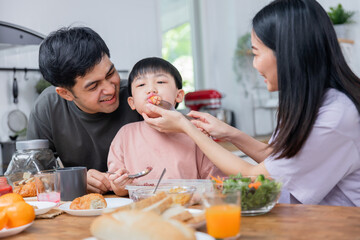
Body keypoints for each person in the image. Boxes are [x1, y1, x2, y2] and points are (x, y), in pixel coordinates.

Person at [142, 0, 360, 206]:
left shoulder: (336, 116)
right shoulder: (310, 102)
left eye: (256, 53)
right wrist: (228, 133)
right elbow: (276, 158)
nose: (255, 65)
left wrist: (186, 127)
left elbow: (259, 177)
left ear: (286, 54)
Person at [27, 27, 142, 194]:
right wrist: (73, 180)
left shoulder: (137, 95)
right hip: (82, 209)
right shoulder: (48, 107)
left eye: (110, 74)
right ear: (65, 93)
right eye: (93, 86)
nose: (110, 89)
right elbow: (31, 177)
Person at [106, 57, 225, 196]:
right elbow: (117, 187)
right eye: (141, 85)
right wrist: (120, 184)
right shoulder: (125, 135)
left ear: (179, 96)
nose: (151, 89)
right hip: (142, 211)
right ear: (132, 103)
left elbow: (217, 183)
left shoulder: (195, 133)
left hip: (188, 209)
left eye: (160, 82)